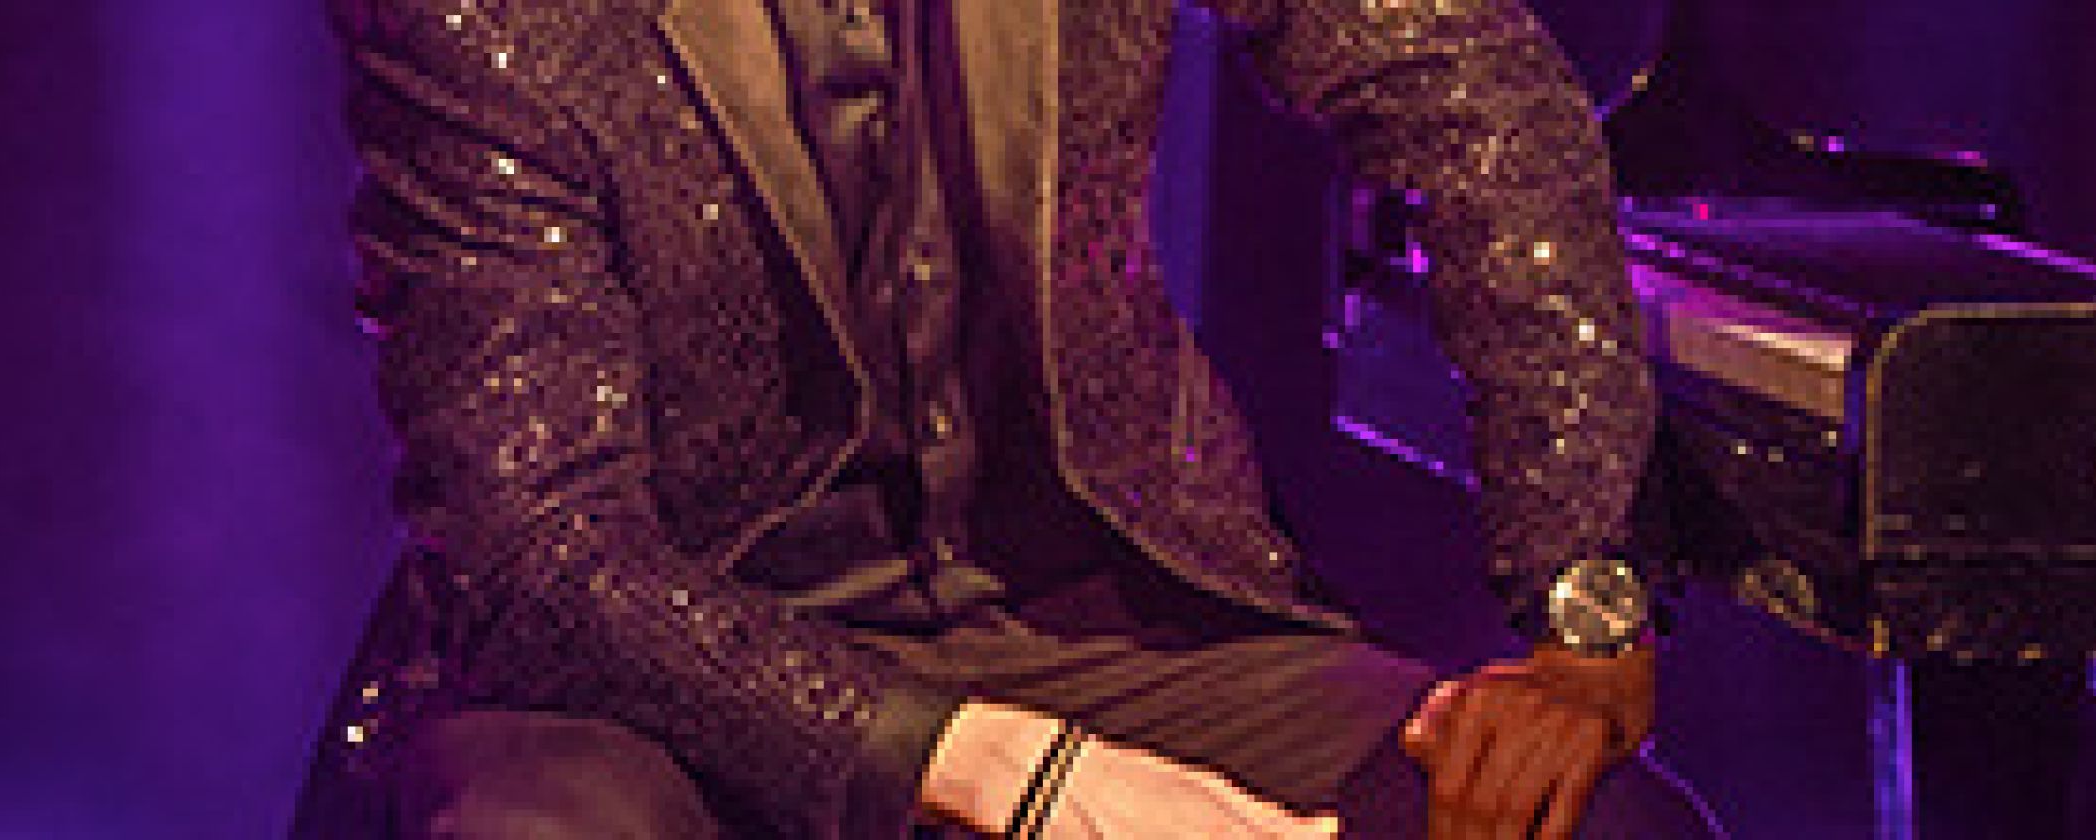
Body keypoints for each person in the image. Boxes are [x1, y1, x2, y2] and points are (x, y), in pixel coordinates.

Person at [292, 0, 1710, 837]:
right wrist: (1007, 774)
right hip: (677, 663)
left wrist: (1580, 605)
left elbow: (1472, 89)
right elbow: (538, 557)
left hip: (1097, 612)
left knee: (1597, 825)